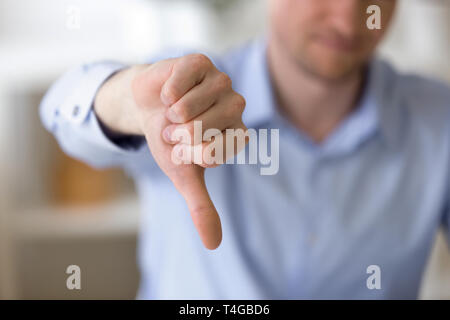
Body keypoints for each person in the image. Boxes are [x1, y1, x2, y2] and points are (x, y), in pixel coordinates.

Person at [40, 0, 450, 299]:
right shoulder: (186, 92)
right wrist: (129, 103)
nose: (347, 18)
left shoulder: (439, 120)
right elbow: (62, 111)